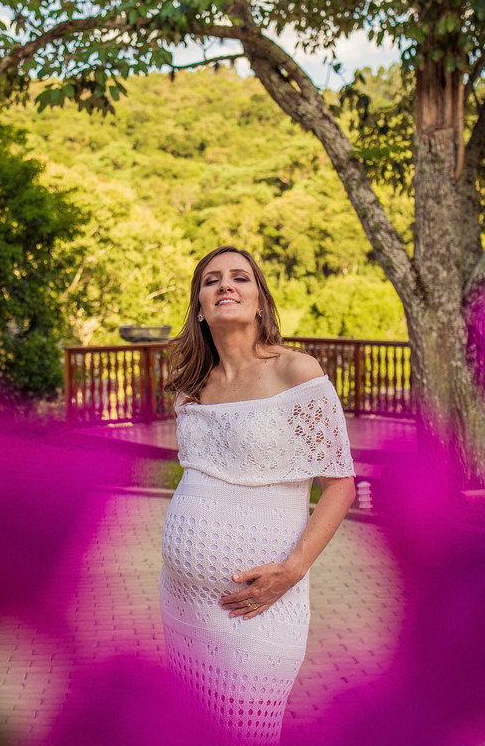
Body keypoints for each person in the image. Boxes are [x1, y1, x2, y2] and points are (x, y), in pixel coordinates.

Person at [159, 245, 357, 745]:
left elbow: (341, 484)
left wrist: (292, 570)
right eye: (212, 280)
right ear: (199, 308)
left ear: (260, 301)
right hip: (182, 602)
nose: (225, 285)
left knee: (248, 732)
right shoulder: (192, 386)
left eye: (239, 277)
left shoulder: (296, 373)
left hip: (260, 604)